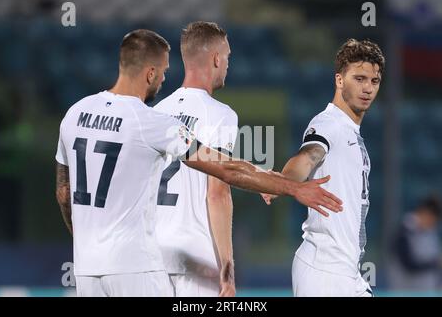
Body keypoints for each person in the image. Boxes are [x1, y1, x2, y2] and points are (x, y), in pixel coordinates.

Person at [55, 29, 343, 297]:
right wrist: (290, 187)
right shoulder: (151, 121)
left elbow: (64, 193)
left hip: (87, 267)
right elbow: (224, 172)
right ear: (150, 72)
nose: (164, 79)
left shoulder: (75, 114)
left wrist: (86, 240)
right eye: (164, 72)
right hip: (143, 263)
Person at [263, 38, 385, 296]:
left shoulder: (350, 130)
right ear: (340, 80)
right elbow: (309, 156)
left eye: (374, 81)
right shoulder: (329, 123)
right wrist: (283, 182)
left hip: (348, 272)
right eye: (359, 79)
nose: (368, 88)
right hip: (324, 272)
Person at [154, 21, 238, 297]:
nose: (227, 64)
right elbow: (217, 194)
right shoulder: (220, 114)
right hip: (196, 259)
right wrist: (228, 272)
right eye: (226, 57)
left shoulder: (156, 112)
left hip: (152, 255)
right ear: (216, 59)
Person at [387, 195, 442, 291]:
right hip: (405, 292)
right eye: (434, 220)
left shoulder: (429, 234)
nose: (433, 225)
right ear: (426, 213)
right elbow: (409, 265)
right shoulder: (403, 233)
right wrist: (437, 263)